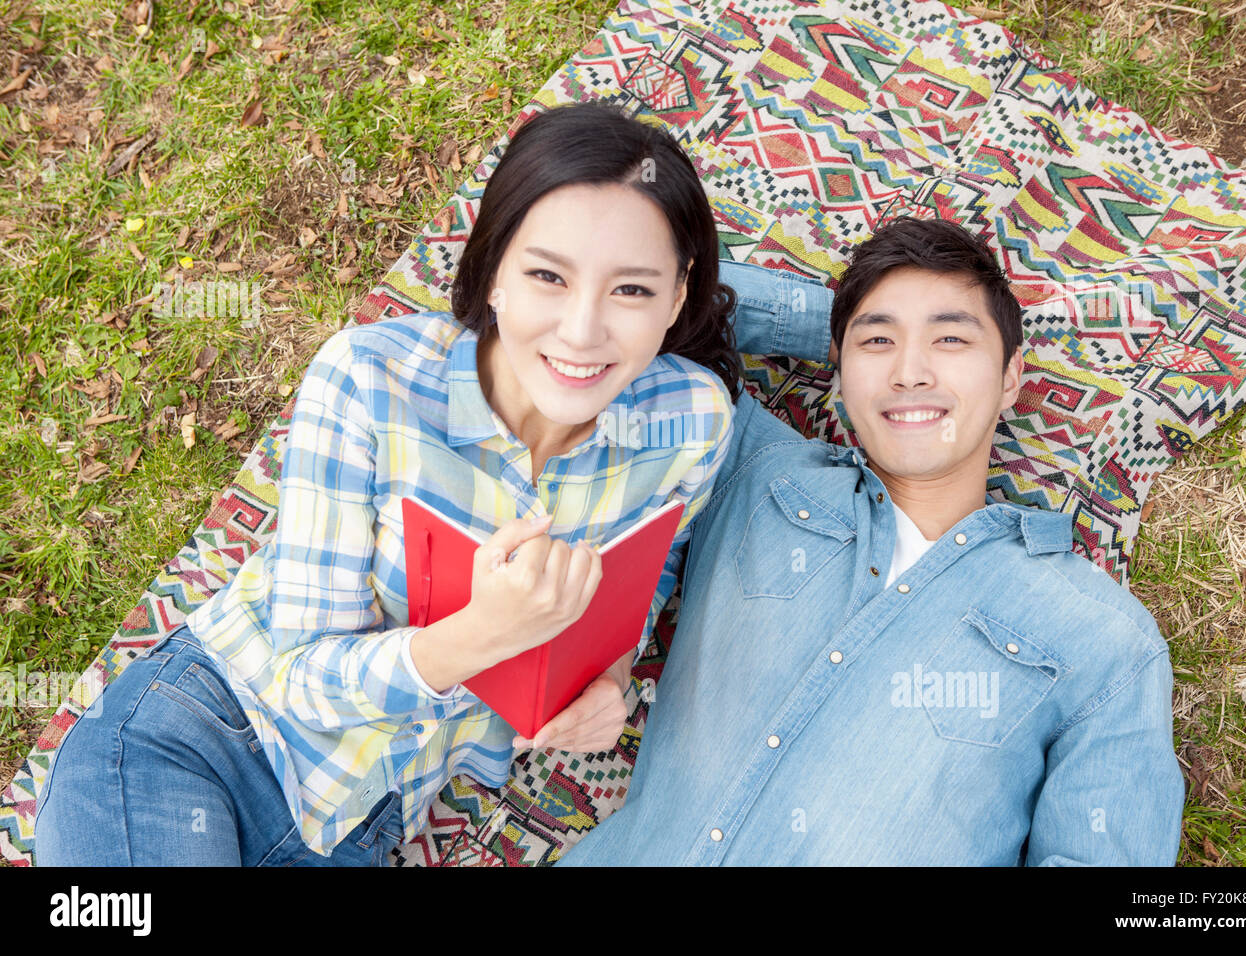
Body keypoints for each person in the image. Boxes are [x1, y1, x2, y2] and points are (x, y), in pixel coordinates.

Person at [32, 101, 740, 866]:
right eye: (547, 276)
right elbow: (301, 683)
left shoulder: (690, 421)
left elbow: (642, 575)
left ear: (676, 296)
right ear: (495, 271)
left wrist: (608, 684)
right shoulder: (369, 378)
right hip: (205, 736)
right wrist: (481, 635)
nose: (580, 330)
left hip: (360, 828)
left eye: (631, 291)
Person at [556, 216, 1186, 866]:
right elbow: (642, 306)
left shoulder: (1104, 640)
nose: (910, 372)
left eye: (950, 339)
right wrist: (837, 326)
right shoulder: (752, 465)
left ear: (1009, 379)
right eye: (878, 341)